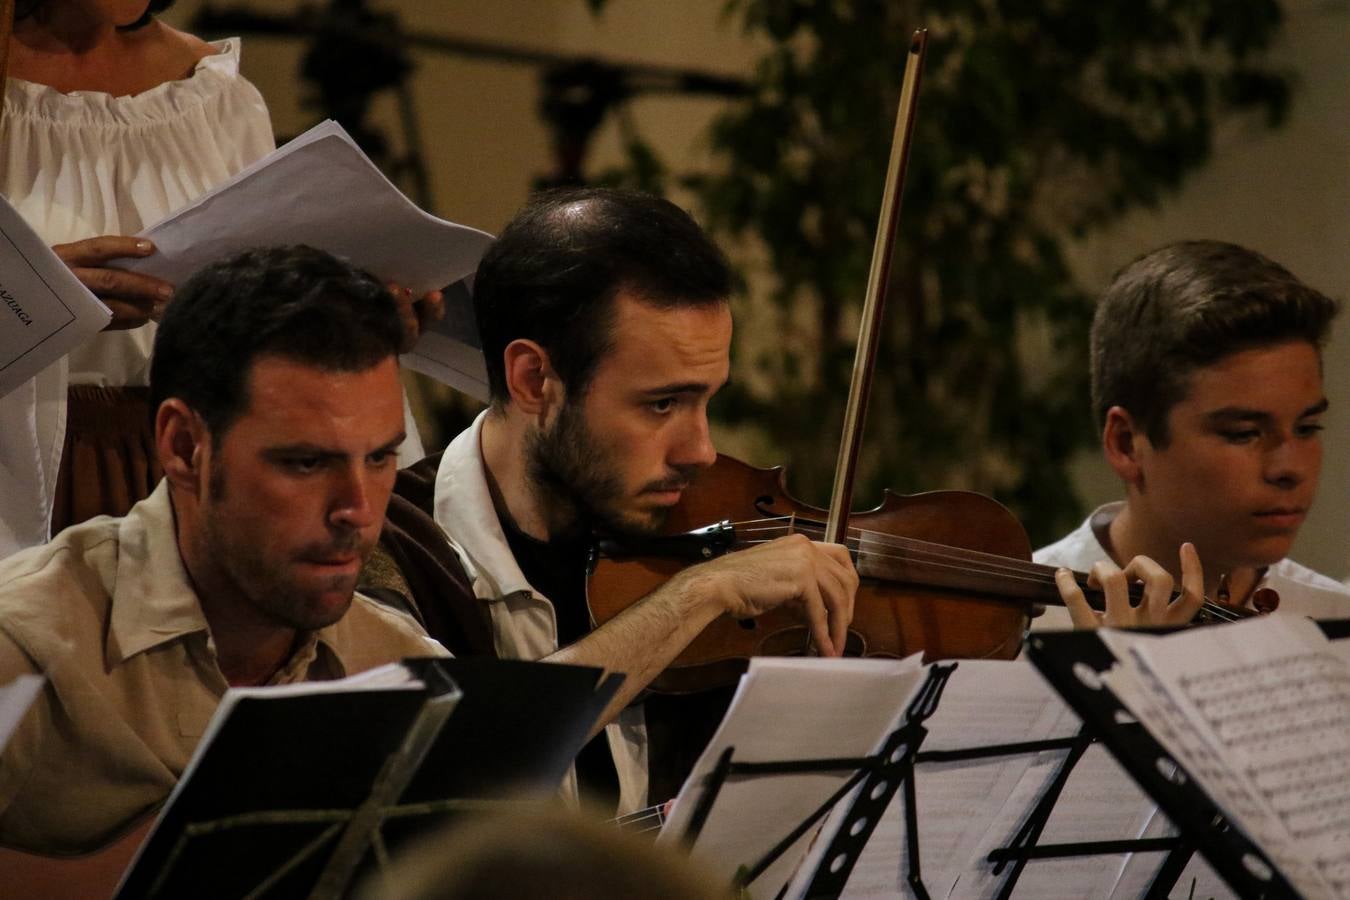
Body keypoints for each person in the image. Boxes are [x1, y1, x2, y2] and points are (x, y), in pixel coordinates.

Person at [389, 187, 860, 816]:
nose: (703, 451)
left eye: (707, 399)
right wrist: (695, 596)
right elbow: (455, 753)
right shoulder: (392, 549)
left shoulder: (680, 530)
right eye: (661, 403)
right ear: (534, 380)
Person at [0, 245, 446, 857]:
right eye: (306, 462)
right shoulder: (20, 650)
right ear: (183, 447)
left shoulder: (405, 668)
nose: (359, 510)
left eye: (379, 458)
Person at [0, 0, 437, 559]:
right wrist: (35, 297)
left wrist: (351, 316)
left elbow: (258, 303)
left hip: (193, 470)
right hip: (26, 472)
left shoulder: (214, 93)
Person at [1037, 240, 1349, 630]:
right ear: (1126, 444)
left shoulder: (1338, 622)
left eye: (1306, 428)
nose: (1289, 469)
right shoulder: (1006, 630)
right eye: (1244, 433)